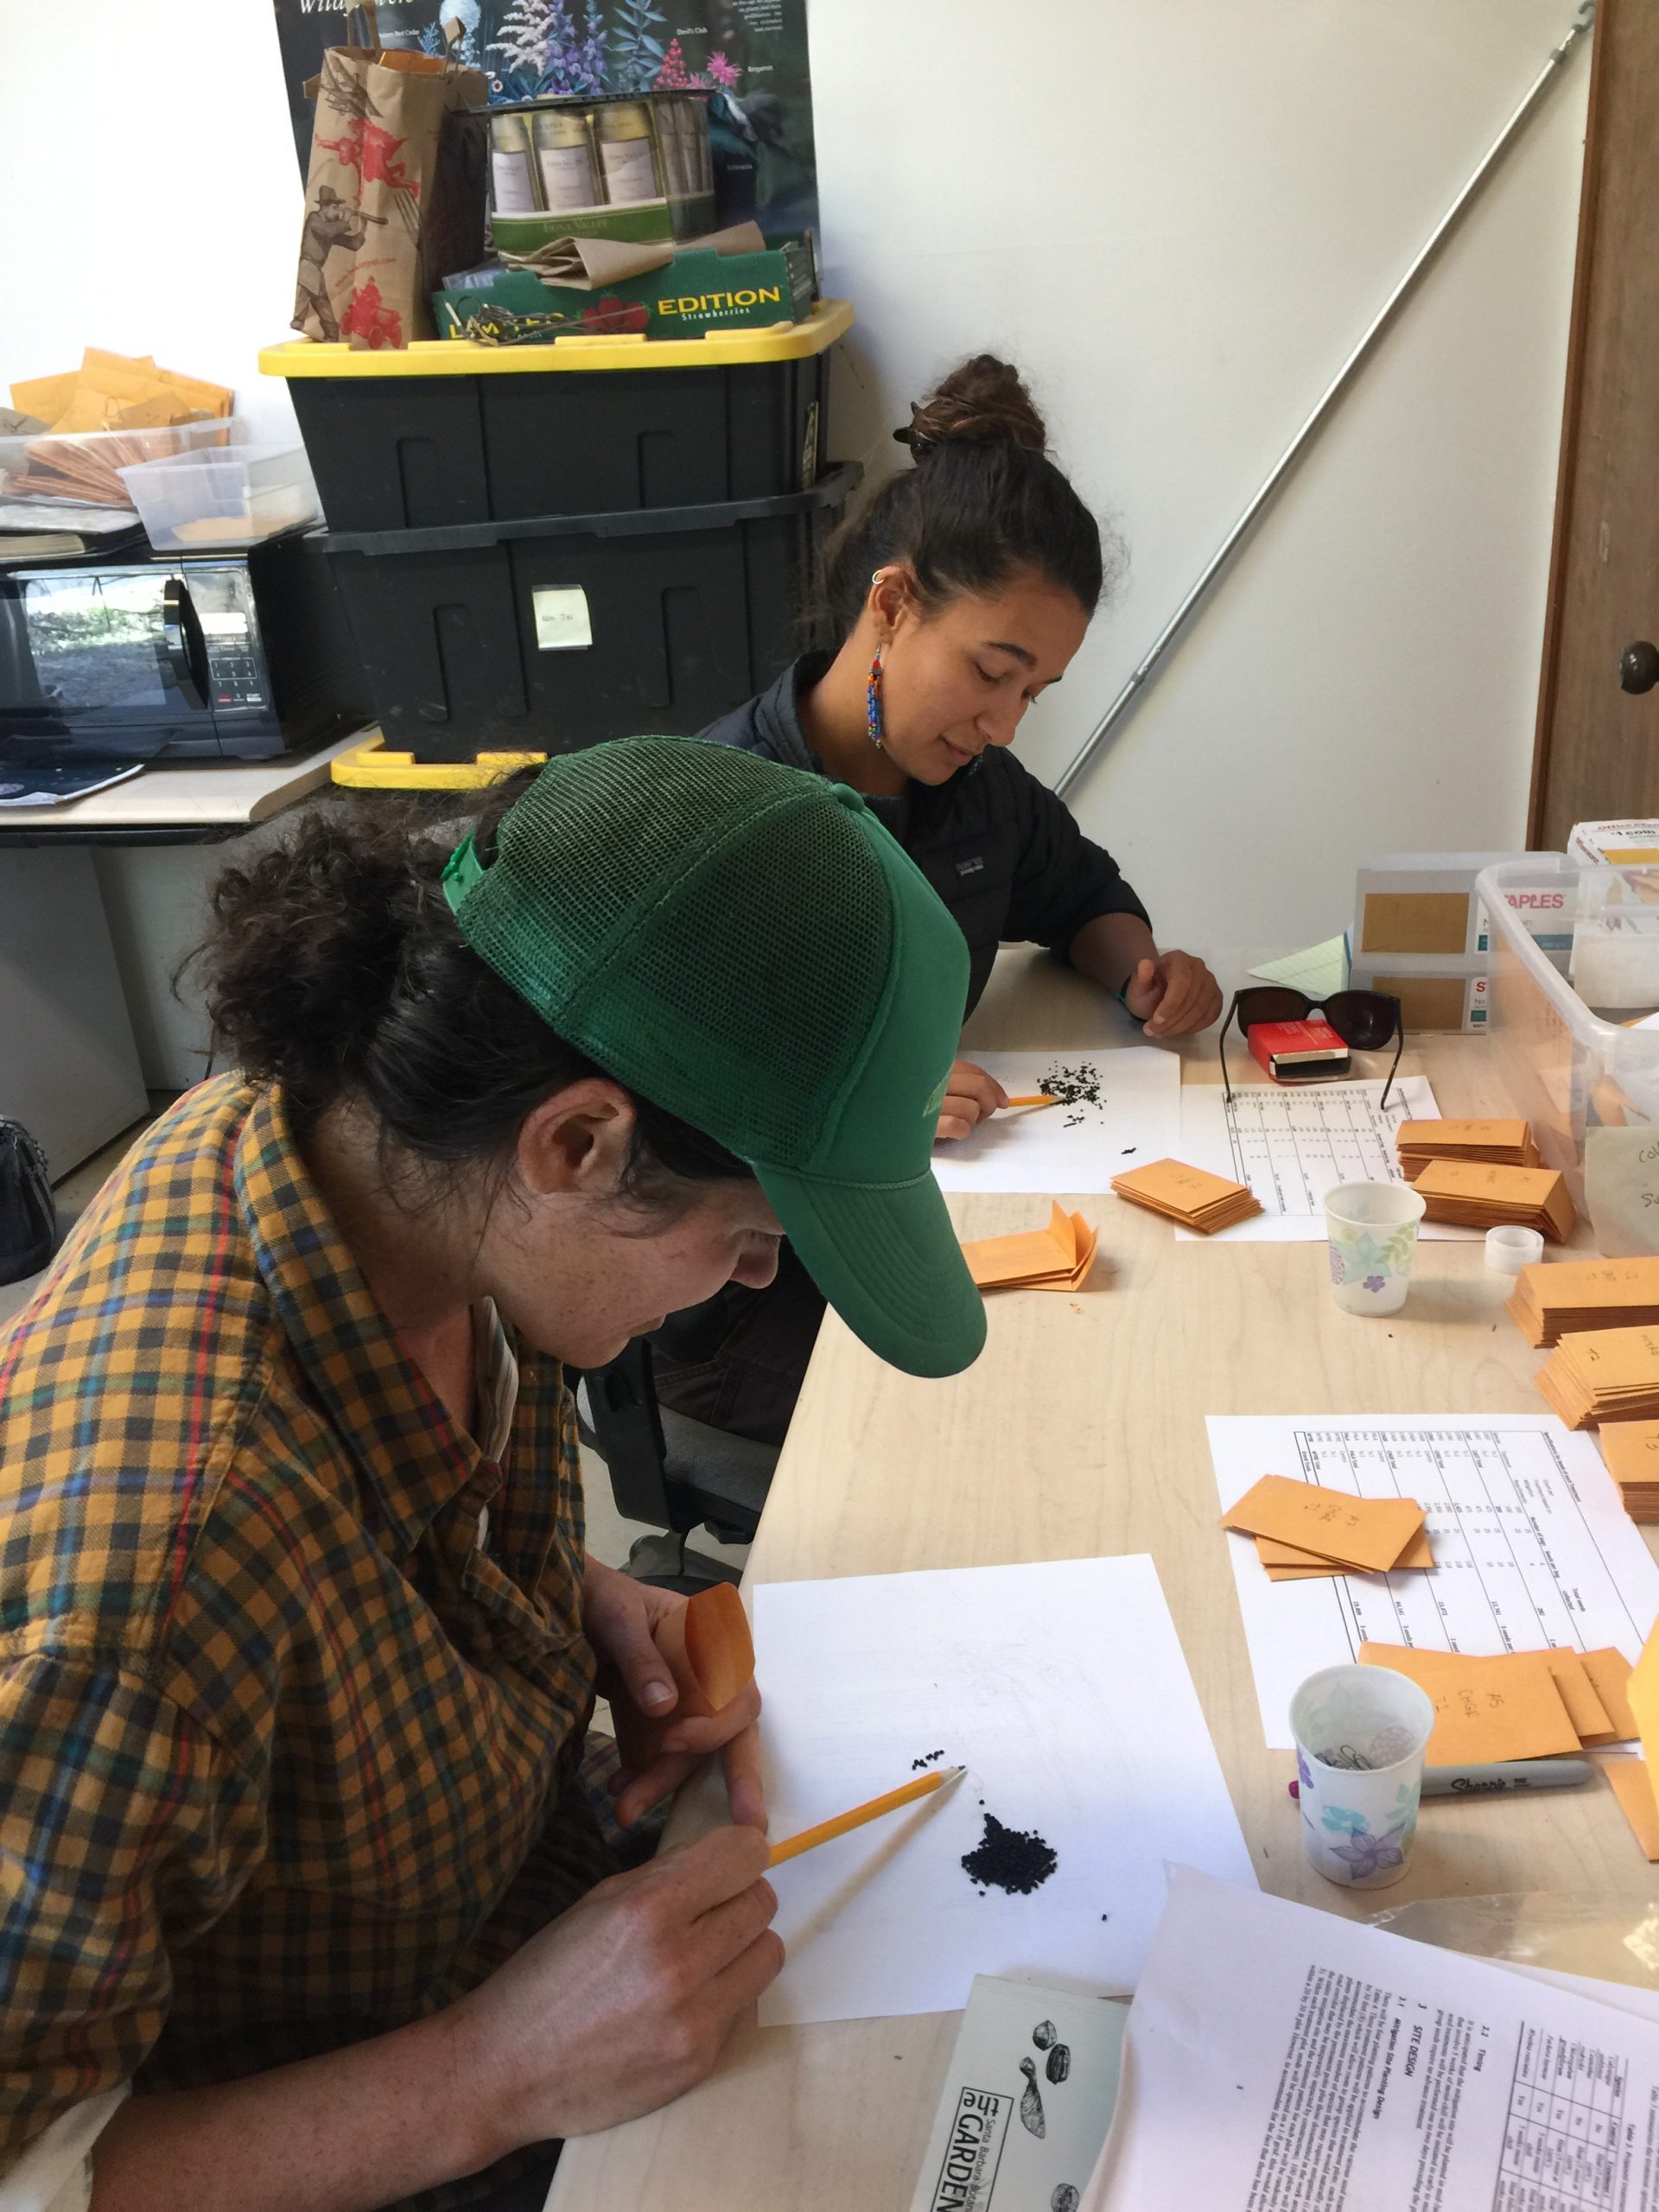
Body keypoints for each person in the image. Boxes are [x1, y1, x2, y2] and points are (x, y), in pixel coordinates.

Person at [0, 739, 985, 2212]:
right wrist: (493, 2071)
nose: (746, 1281)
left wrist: (572, 1592)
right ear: (581, 1142)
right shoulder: (155, 1583)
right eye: (748, 1240)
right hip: (373, 2112)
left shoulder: (376, 1159)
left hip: (526, 1897)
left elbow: (367, 1528)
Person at [652, 354, 1222, 1444]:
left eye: (1035, 693)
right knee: (1044, 1426)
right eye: (991, 671)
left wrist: (1139, 968)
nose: (1005, 722)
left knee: (1138, 1346)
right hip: (742, 1291)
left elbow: (1082, 893)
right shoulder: (718, 813)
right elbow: (653, 1107)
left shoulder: (976, 791)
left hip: (927, 1224)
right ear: (893, 602)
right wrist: (876, 1104)